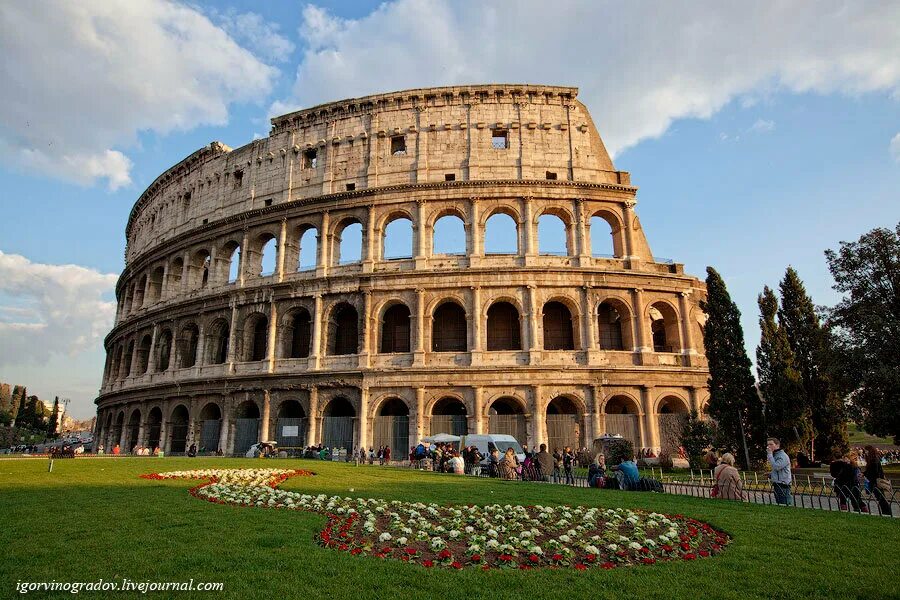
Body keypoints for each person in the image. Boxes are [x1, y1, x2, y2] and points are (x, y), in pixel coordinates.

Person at [863, 446, 892, 516]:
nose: (865, 452)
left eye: (866, 451)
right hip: (875, 480)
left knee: (881, 498)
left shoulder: (874, 460)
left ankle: (887, 512)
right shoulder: (873, 459)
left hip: (876, 481)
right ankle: (886, 512)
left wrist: (866, 474)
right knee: (880, 498)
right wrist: (864, 473)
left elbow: (874, 471)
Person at [766, 437, 792, 506]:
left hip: (783, 485)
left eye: (771, 444)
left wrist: (770, 454)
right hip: (777, 484)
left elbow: (776, 467)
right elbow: (778, 470)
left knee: (784, 504)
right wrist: (771, 474)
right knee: (779, 505)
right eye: (768, 444)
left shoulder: (782, 456)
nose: (768, 446)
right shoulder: (776, 455)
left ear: (777, 445)